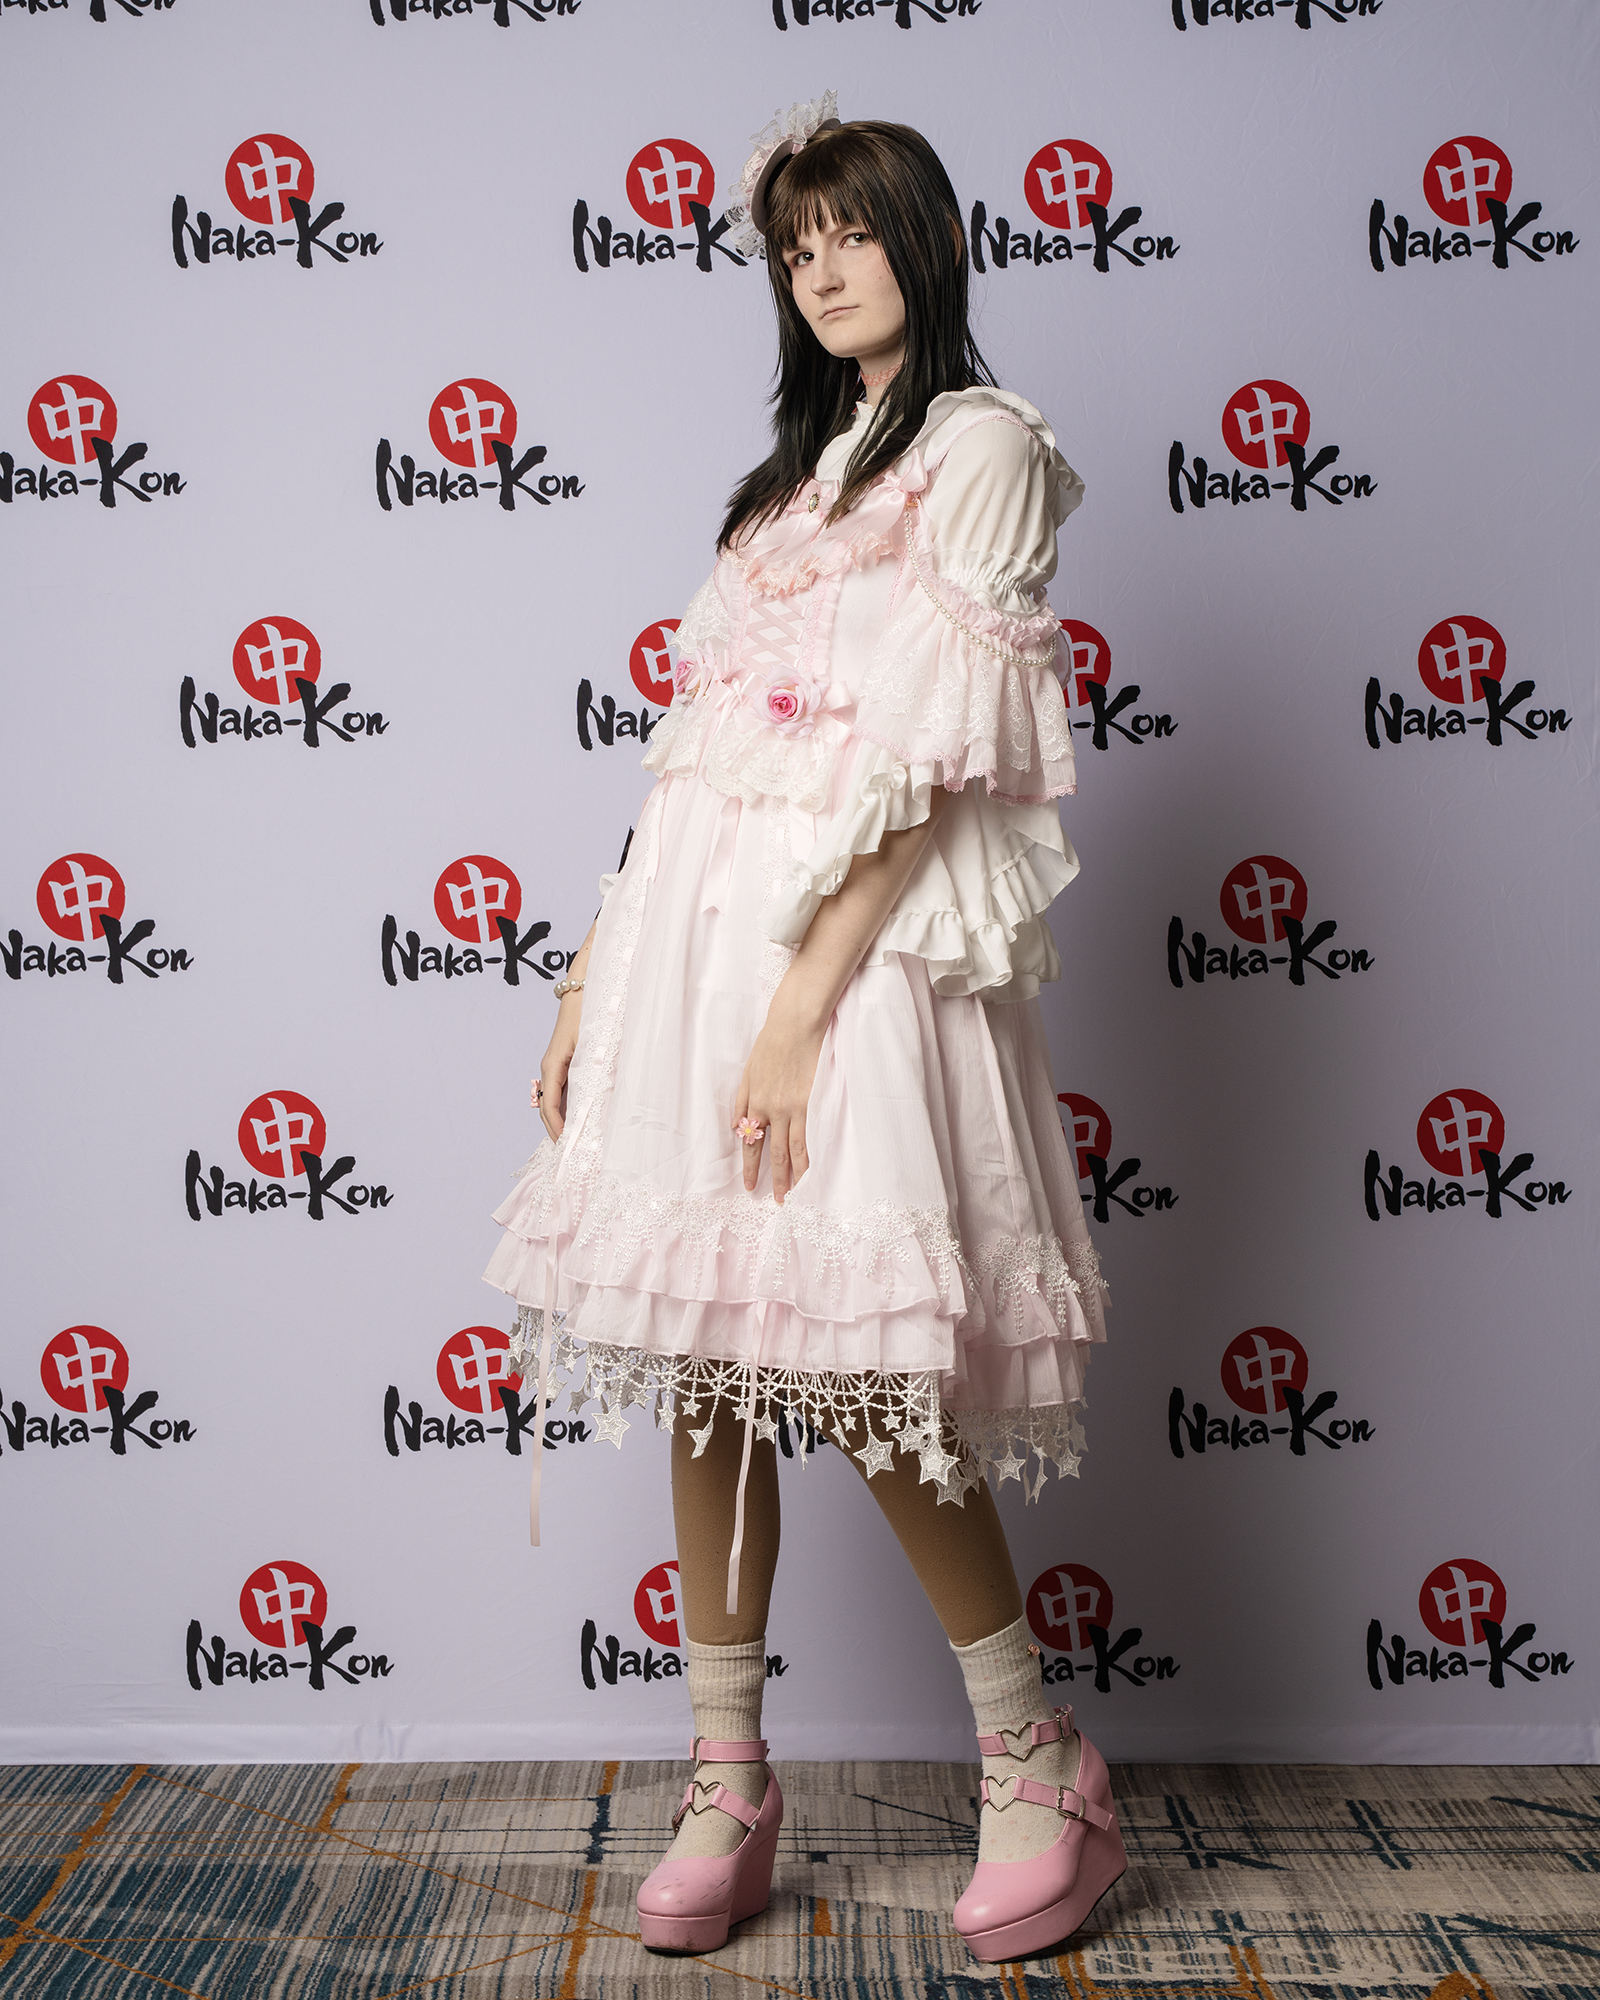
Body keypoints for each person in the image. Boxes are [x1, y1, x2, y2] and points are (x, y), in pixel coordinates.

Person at [483, 96, 1123, 1965]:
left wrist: (795, 1014)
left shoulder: (985, 449)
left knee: (861, 1361)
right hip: (688, 964)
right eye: (792, 246)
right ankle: (727, 1779)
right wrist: (591, 978)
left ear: (926, 236)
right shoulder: (786, 488)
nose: (820, 268)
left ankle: (1035, 1761)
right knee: (707, 1352)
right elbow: (690, 767)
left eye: (848, 230)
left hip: (845, 965)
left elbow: (930, 764)